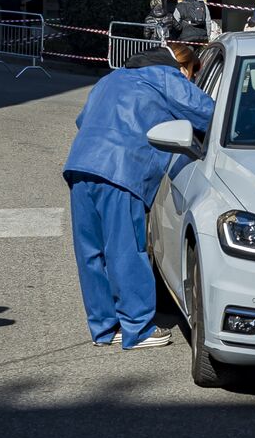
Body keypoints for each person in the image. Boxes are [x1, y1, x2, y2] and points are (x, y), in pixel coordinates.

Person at [63, 42, 217, 349]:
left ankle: (104, 328)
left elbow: (83, 120)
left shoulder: (111, 78)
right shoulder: (166, 76)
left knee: (91, 252)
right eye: (191, 74)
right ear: (184, 67)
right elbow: (207, 113)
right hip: (121, 169)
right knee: (125, 248)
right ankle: (138, 328)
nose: (189, 80)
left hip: (81, 164)